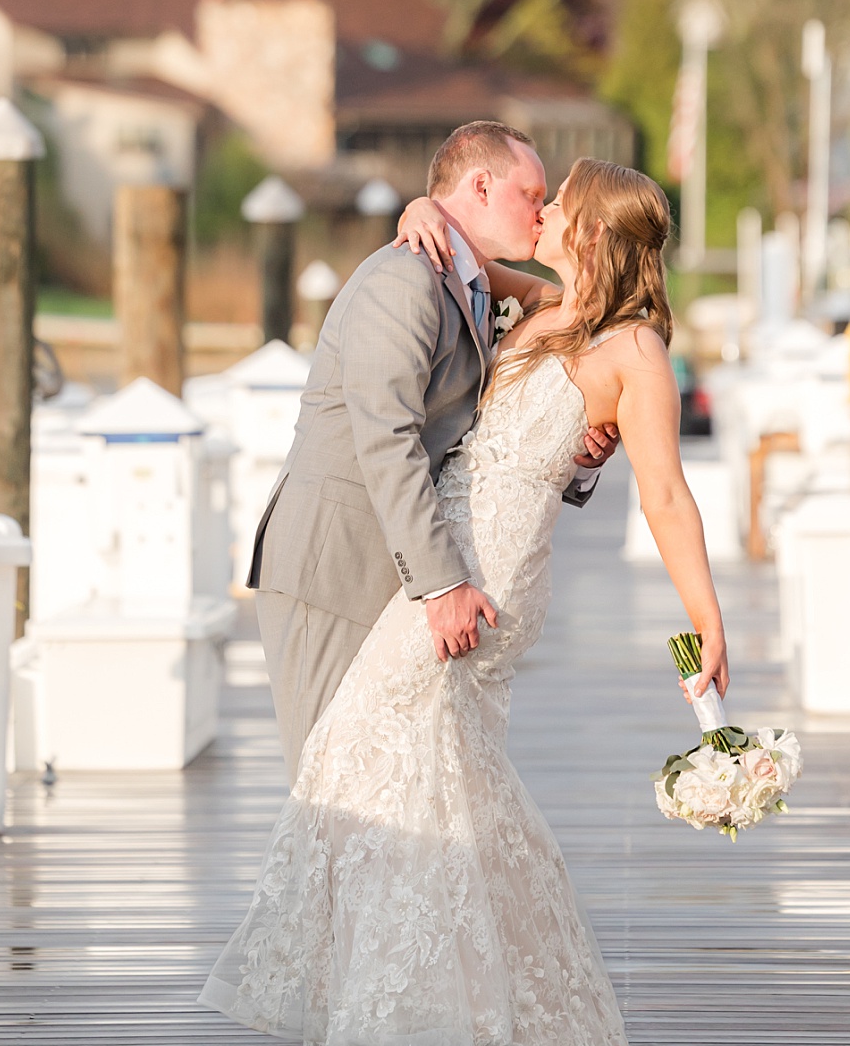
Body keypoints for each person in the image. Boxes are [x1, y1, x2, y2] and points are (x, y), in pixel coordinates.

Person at [201, 157, 730, 1046]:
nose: (547, 212)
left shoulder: (635, 351)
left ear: (593, 233)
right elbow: (476, 264)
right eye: (541, 196)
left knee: (368, 755)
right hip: (444, 563)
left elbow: (669, 497)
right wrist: (426, 210)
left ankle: (400, 1009)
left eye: (560, 205)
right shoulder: (549, 311)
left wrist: (707, 620)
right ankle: (447, 1000)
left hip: (482, 578)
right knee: (430, 775)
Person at [245, 120, 617, 781]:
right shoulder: (406, 280)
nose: (541, 211)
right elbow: (385, 437)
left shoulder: (471, 281)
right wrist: (444, 583)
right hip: (334, 569)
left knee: (386, 786)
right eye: (531, 193)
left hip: (396, 575)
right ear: (480, 184)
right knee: (327, 788)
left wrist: (577, 449)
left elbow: (491, 424)